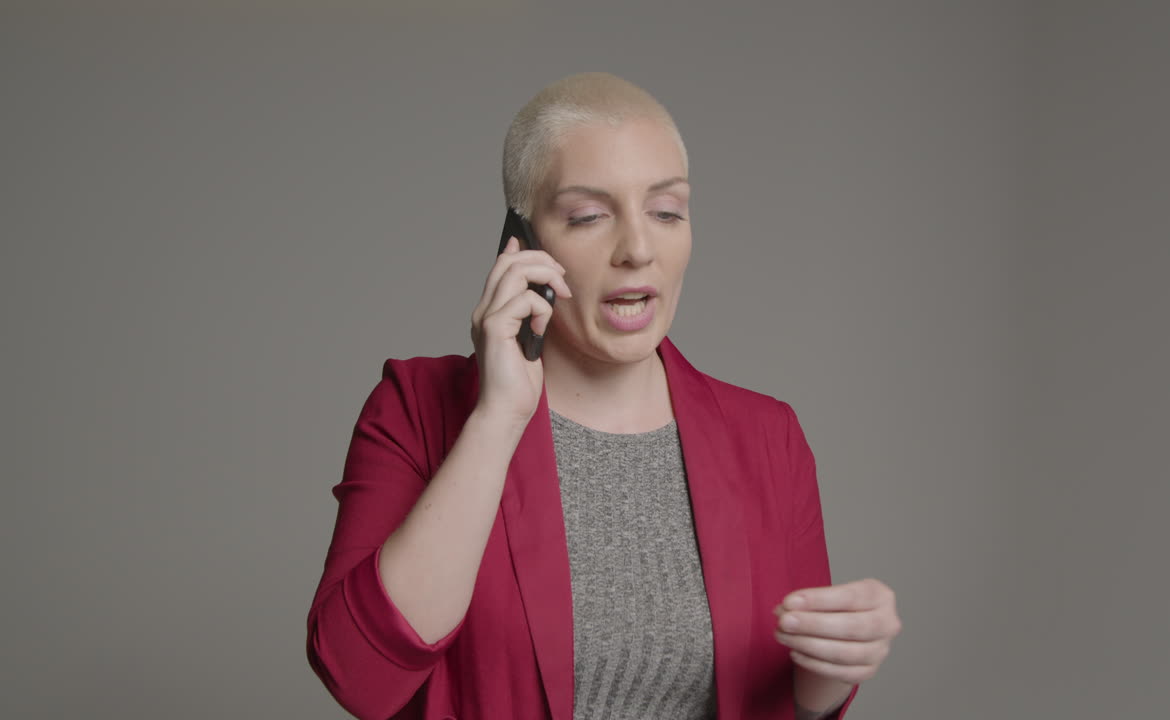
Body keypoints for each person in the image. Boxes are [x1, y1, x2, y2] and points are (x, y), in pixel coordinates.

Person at [305, 71, 900, 720]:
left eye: (667, 211)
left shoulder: (768, 437)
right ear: (521, 243)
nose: (639, 249)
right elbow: (360, 678)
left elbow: (787, 704)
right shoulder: (414, 407)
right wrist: (498, 417)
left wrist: (832, 668)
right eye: (589, 216)